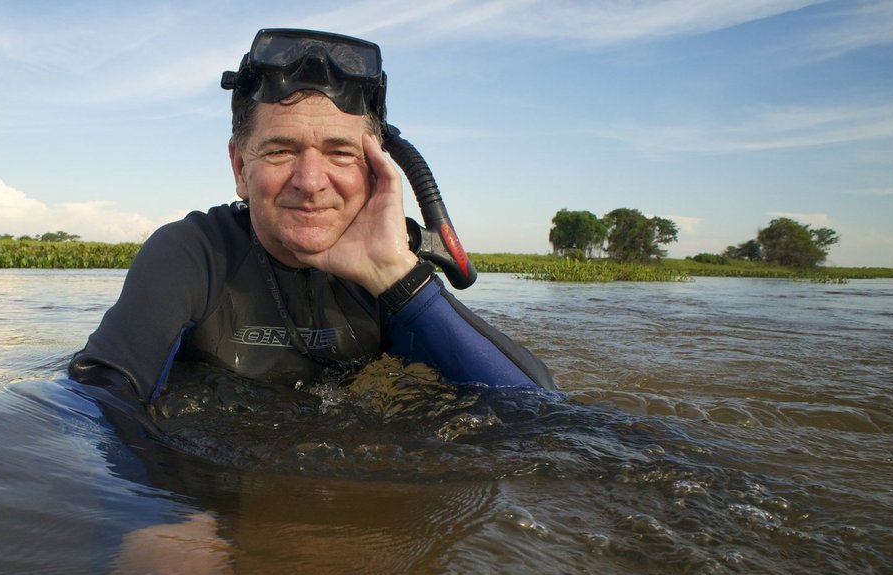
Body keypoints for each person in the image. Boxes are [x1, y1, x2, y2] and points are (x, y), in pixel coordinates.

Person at [69, 27, 556, 413]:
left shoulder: (388, 268)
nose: (310, 179)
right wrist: (162, 509)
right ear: (241, 168)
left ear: (376, 169)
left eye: (340, 153)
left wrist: (397, 278)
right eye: (281, 150)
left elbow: (537, 411)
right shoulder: (195, 253)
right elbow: (98, 397)